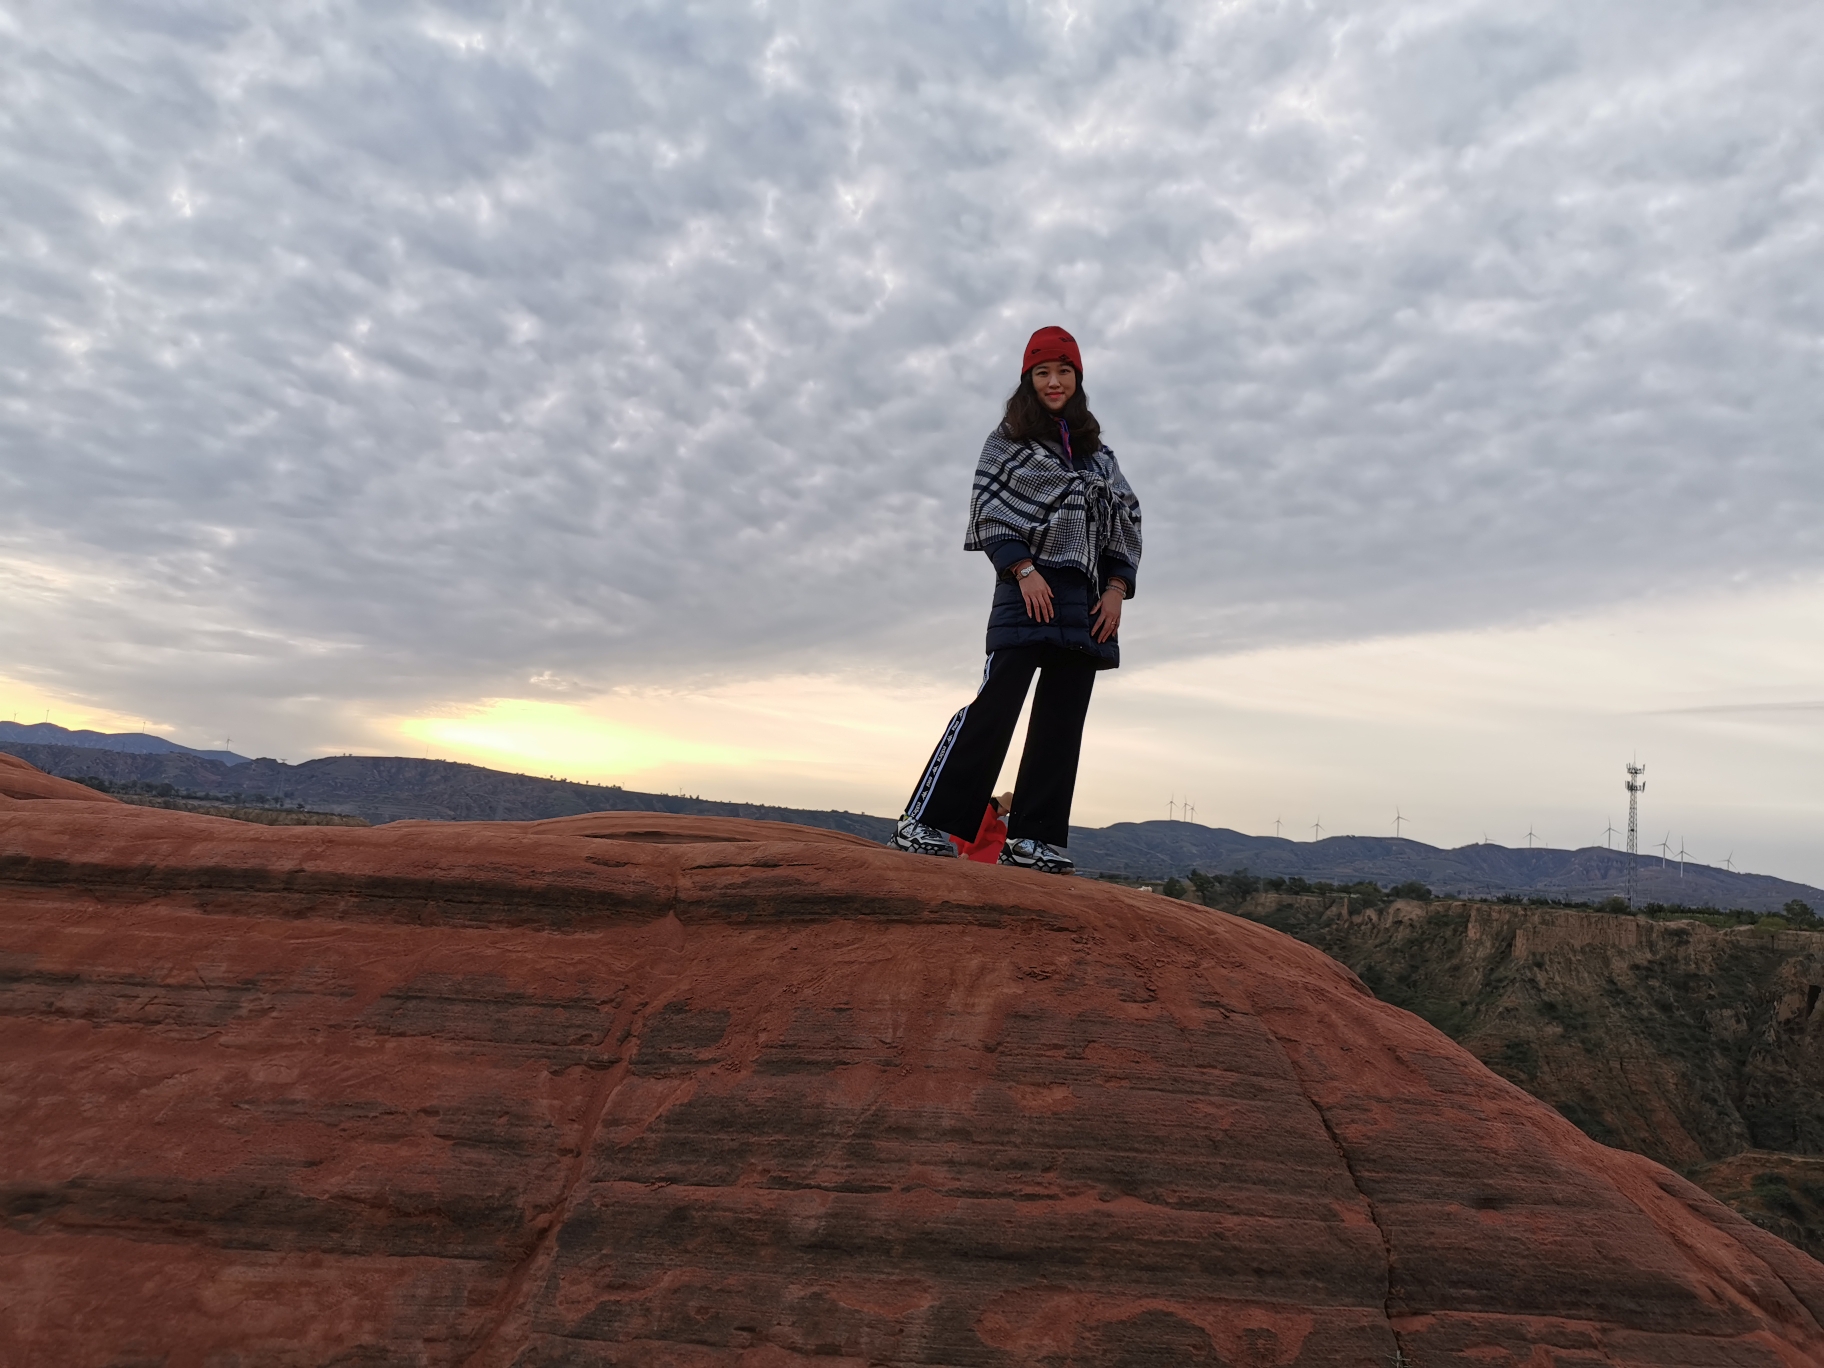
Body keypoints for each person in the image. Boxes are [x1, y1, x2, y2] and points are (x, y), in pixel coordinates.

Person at [893, 326, 1142, 875]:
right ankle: (925, 822)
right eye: (1042, 372)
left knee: (1062, 721)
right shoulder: (1007, 441)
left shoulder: (1101, 459)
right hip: (1026, 593)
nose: (1054, 382)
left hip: (1087, 604)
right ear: (1028, 379)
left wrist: (1118, 591)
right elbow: (989, 510)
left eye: (1064, 371)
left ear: (1078, 379)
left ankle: (1033, 839)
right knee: (995, 707)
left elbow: (1128, 523)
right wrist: (1023, 570)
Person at [951, 790, 1016, 863]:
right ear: (1000, 805)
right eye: (1006, 811)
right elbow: (976, 832)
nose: (1005, 815)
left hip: (966, 841)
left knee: (1001, 828)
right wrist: (966, 852)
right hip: (963, 842)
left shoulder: (991, 814)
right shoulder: (986, 813)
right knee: (999, 836)